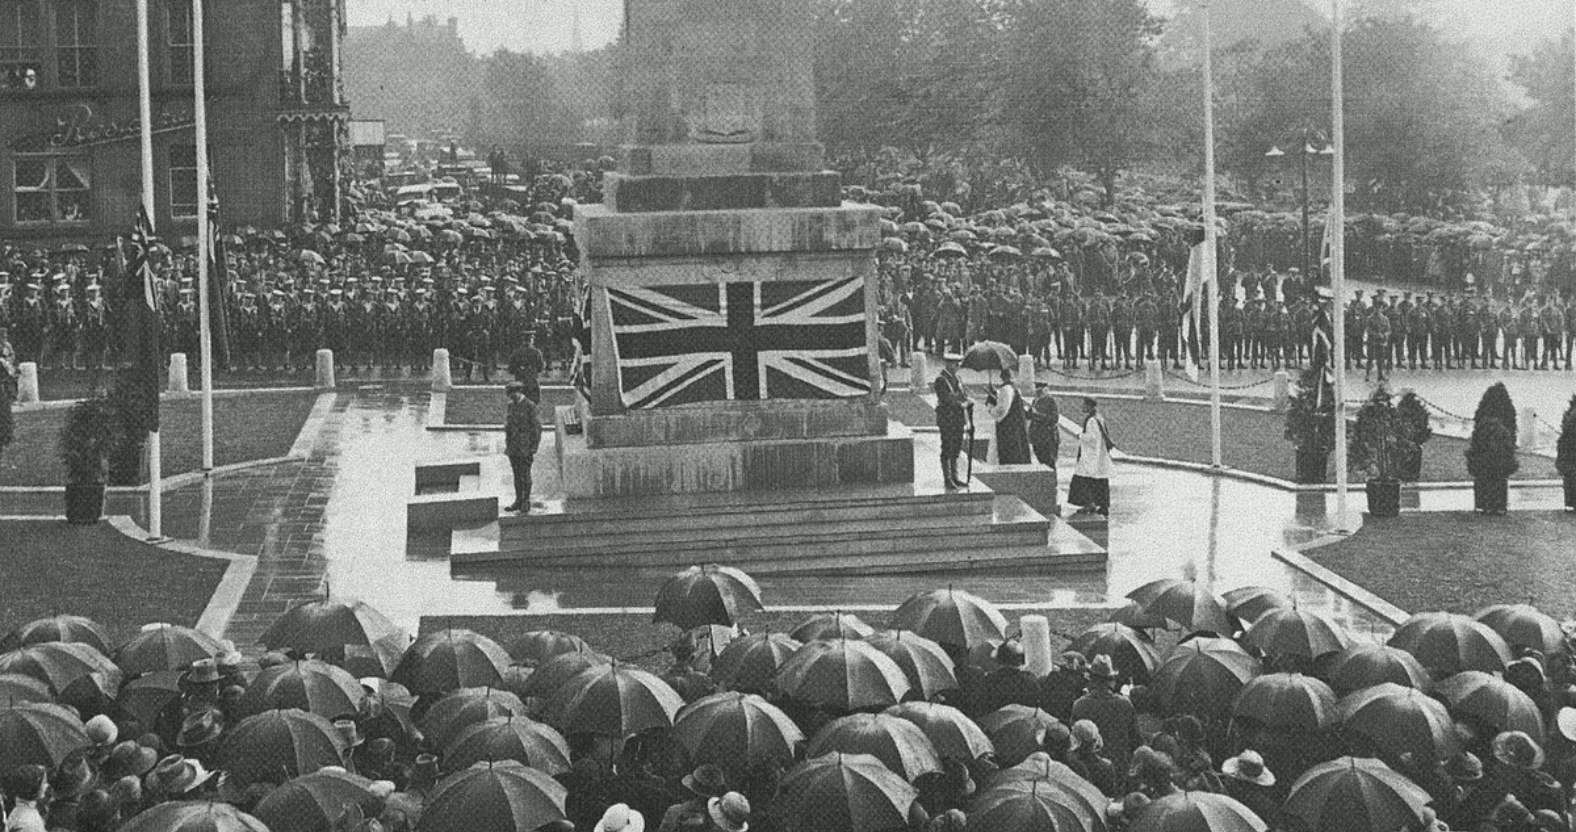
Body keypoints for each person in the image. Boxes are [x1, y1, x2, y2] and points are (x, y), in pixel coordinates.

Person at [1067, 397, 1114, 517]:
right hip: (1098, 455)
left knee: (1082, 480)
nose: (1082, 407)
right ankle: (1103, 506)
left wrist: (1080, 436)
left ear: (1089, 406)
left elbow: (1093, 438)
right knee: (1100, 481)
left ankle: (1089, 504)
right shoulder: (1098, 417)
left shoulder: (1091, 420)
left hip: (1091, 455)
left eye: (1084, 405)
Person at [933, 352, 971, 489]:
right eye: (955, 364)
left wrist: (965, 399)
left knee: (956, 447)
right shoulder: (941, 380)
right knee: (947, 447)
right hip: (947, 419)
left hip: (958, 419)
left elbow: (963, 394)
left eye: (958, 364)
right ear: (948, 364)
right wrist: (960, 400)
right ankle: (947, 478)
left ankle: (955, 476)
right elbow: (946, 398)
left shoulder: (957, 378)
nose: (957, 366)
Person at [503, 382, 540, 513]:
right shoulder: (511, 405)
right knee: (516, 475)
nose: (511, 398)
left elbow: (536, 428)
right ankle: (518, 500)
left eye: (513, 395)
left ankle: (526, 501)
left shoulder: (530, 406)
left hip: (525, 447)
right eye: (510, 395)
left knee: (525, 475)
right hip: (513, 446)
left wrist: (533, 447)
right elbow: (508, 425)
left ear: (519, 392)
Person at [985, 368, 1030, 465]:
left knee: (1009, 453)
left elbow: (1002, 409)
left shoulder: (1006, 389)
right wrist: (995, 394)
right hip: (1016, 425)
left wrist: (991, 409)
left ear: (1002, 377)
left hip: (1009, 427)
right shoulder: (1014, 388)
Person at [2, 764, 49, 832]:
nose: (46, 786)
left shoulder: (21, 810)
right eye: (44, 783)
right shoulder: (28, 821)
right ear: (34, 787)